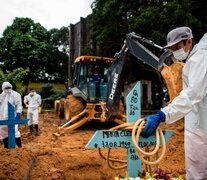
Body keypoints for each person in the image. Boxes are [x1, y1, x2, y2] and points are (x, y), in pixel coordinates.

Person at [141, 26, 207, 179]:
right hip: (199, 124)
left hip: (201, 127)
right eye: (172, 48)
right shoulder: (195, 58)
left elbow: (192, 94)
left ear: (189, 42)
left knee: (199, 173)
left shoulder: (200, 59)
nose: (175, 52)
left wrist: (162, 115)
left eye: (177, 47)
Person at [0, 82, 22, 148]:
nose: (7, 89)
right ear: (3, 88)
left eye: (9, 88)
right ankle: (6, 148)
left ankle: (19, 147)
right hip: (2, 117)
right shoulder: (1, 96)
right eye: (6, 88)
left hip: (12, 117)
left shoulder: (16, 94)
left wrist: (18, 113)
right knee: (3, 132)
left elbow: (19, 105)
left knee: (15, 132)